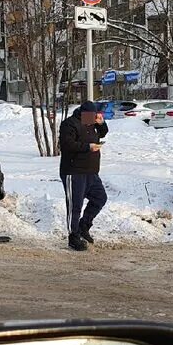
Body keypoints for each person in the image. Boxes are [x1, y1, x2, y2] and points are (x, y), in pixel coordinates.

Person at [58, 100, 109, 252]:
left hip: (91, 171)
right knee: (75, 206)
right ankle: (73, 237)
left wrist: (101, 124)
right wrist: (88, 147)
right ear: (84, 113)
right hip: (73, 171)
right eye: (92, 116)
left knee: (100, 198)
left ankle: (84, 226)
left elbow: (103, 133)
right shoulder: (69, 124)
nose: (94, 118)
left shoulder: (92, 123)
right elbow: (67, 145)